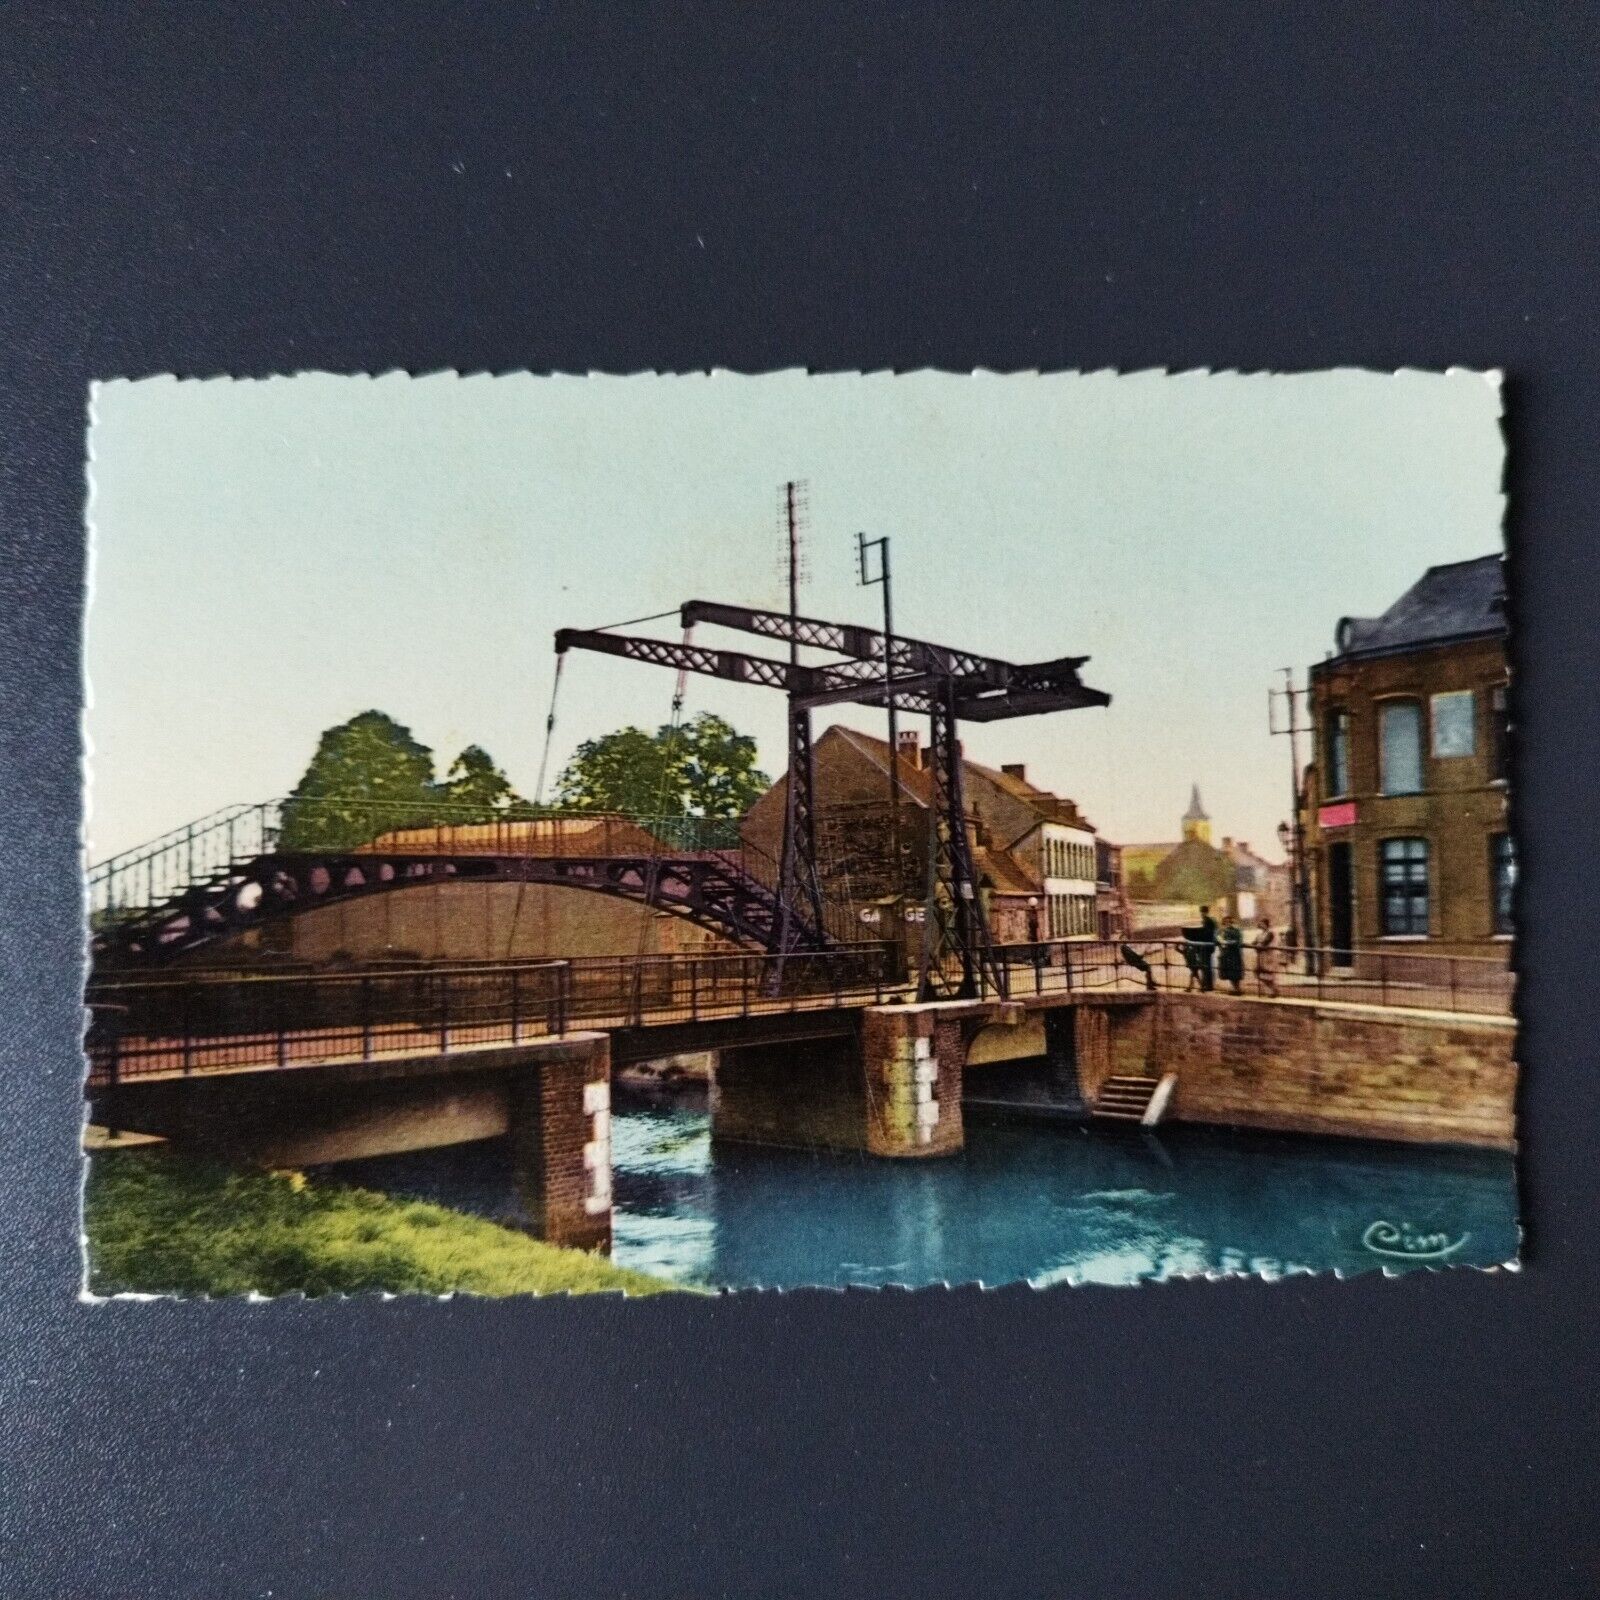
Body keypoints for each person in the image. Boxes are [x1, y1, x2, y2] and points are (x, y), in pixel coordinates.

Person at [1254, 917, 1282, 998]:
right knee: (1258, 972)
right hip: (1262, 956)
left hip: (1270, 955)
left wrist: (1259, 944)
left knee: (1269, 973)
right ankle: (1273, 989)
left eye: (1262, 924)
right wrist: (1257, 944)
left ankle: (1274, 990)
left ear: (1266, 924)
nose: (1261, 926)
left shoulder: (1271, 932)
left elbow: (1265, 942)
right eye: (1261, 924)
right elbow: (1254, 942)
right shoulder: (1260, 934)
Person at [1218, 913, 1245, 995]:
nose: (1227, 923)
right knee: (1229, 972)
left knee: (1235, 972)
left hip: (1234, 953)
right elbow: (1218, 939)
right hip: (1226, 954)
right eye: (1225, 922)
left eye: (1229, 921)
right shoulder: (1222, 931)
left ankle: (1237, 989)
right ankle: (1235, 988)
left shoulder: (1236, 930)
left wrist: (1226, 942)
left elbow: (1238, 941)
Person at [1195, 905, 1219, 991]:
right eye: (1201, 912)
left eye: (1202, 912)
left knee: (1206, 966)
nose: (1201, 914)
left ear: (1205, 912)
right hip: (1207, 946)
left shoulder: (1208, 921)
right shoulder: (1208, 920)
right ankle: (1206, 985)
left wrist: (1199, 936)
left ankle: (1208, 986)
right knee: (1206, 966)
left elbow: (1208, 934)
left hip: (1206, 946)